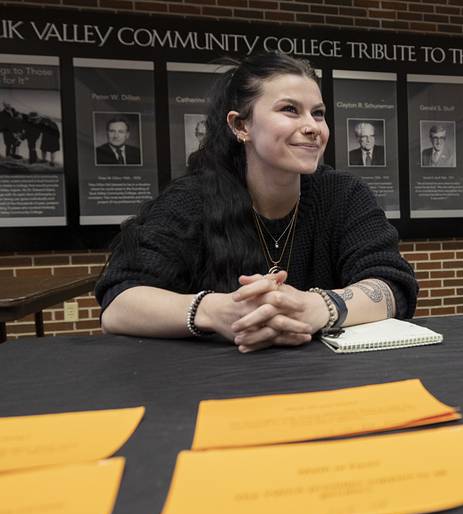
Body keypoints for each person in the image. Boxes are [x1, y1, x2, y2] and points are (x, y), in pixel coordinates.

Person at [95, 52, 418, 353]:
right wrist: (216, 312)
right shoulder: (190, 200)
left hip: (328, 388)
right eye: (290, 109)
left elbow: (393, 286)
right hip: (211, 389)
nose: (312, 127)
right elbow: (118, 305)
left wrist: (315, 307)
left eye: (318, 114)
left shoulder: (343, 195)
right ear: (241, 125)